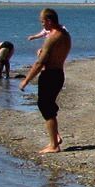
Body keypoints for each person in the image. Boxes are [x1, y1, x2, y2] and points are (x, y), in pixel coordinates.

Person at [19, 9, 71, 153]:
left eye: (42, 22)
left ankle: (54, 145)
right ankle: (56, 137)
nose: (42, 25)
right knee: (49, 106)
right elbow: (55, 53)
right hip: (59, 74)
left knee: (46, 108)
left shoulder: (53, 37)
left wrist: (26, 80)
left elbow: (39, 63)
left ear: (49, 20)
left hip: (50, 75)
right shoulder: (65, 34)